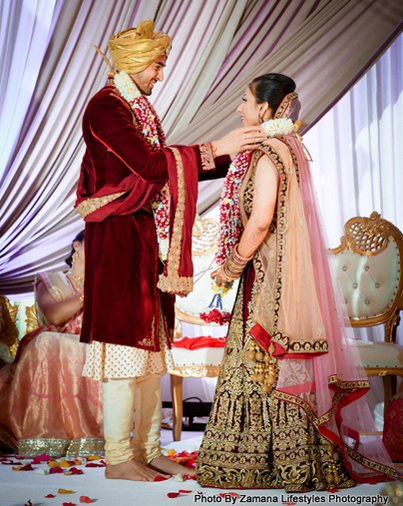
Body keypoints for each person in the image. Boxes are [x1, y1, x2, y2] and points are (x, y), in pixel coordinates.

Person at [74, 19, 266, 482]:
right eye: (158, 66)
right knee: (125, 350)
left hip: (146, 238)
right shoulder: (106, 107)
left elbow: (165, 169)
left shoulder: (139, 109)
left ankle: (146, 447)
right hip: (118, 237)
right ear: (136, 64)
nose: (161, 75)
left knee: (149, 352)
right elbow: (145, 165)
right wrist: (215, 147)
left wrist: (233, 153)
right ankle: (118, 456)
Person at [195, 74, 400, 490]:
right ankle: (297, 458)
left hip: (267, 283)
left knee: (262, 367)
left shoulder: (270, 152)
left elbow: (261, 220)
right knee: (276, 367)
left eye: (245, 100)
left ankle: (261, 463)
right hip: (276, 277)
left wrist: (231, 267)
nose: (240, 109)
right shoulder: (291, 146)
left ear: (267, 110)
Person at [0, 231, 104, 457]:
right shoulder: (51, 280)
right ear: (77, 246)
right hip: (53, 345)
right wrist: (88, 292)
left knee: (100, 348)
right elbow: (55, 317)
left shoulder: (107, 284)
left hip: (91, 343)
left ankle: (89, 435)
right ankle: (45, 432)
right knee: (48, 342)